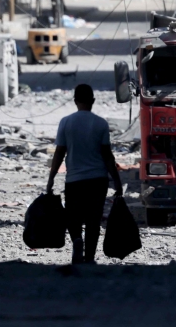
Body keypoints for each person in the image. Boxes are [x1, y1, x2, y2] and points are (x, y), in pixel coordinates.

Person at [47, 84, 124, 264]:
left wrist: (51, 178)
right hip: (98, 179)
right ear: (93, 101)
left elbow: (59, 152)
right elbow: (107, 155)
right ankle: (89, 257)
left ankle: (76, 239)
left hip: (74, 179)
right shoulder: (101, 123)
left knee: (73, 216)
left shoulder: (66, 122)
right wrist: (117, 181)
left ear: (75, 101)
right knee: (93, 219)